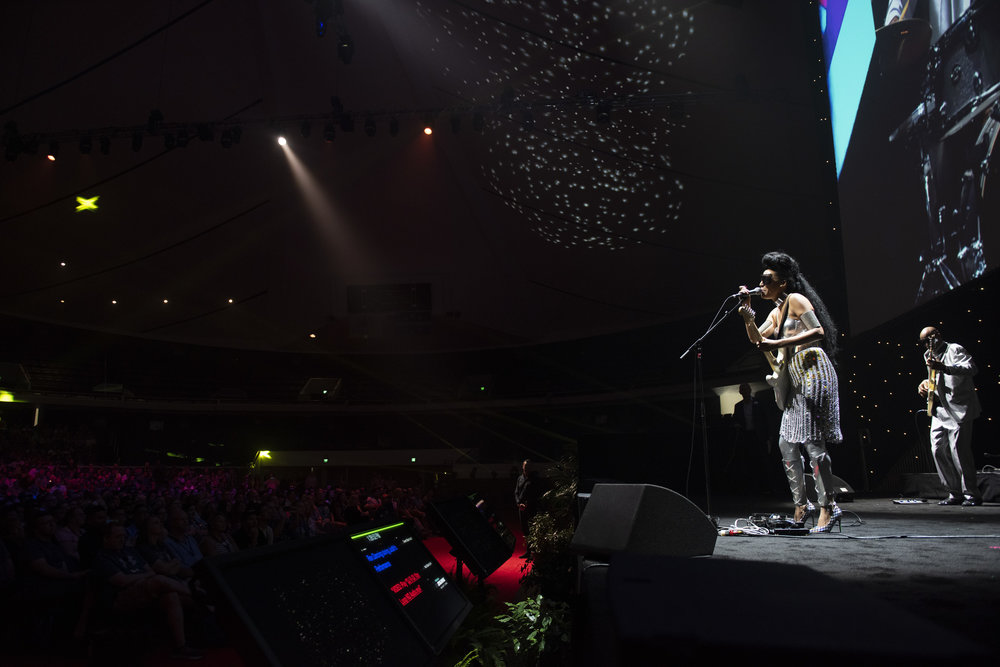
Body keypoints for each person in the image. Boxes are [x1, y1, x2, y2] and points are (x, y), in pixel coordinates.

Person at [738, 251, 843, 533]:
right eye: (761, 279)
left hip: (812, 370)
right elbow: (758, 340)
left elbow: (818, 332)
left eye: (767, 279)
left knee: (813, 443)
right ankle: (801, 504)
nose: (761, 284)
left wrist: (778, 343)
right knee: (786, 444)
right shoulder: (775, 312)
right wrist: (748, 316)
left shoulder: (796, 300)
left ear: (783, 282)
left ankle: (828, 505)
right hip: (794, 378)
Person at [917, 326, 982, 506]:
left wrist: (945, 368)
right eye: (924, 341)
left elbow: (971, 368)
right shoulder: (928, 355)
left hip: (958, 408)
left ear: (937, 335)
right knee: (937, 449)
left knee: (959, 452)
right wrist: (924, 384)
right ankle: (954, 492)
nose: (928, 343)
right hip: (939, 409)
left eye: (930, 338)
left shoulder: (955, 349)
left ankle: (971, 494)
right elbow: (935, 379)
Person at [514, 460, 537, 557]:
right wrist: (518, 503)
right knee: (524, 529)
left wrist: (526, 505)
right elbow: (516, 492)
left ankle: (533, 550)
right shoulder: (520, 478)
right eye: (525, 466)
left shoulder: (534, 479)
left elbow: (535, 494)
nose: (527, 468)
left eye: (528, 467)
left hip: (530, 507)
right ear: (522, 467)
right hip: (521, 507)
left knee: (531, 528)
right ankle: (528, 551)